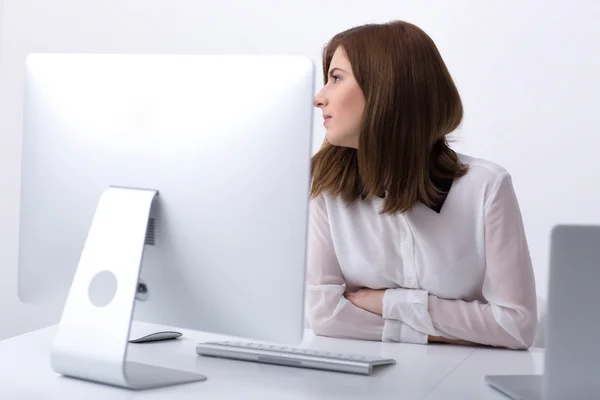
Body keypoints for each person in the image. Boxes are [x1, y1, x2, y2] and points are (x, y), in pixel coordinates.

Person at [306, 20, 538, 349]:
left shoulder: (486, 187)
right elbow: (325, 316)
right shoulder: (325, 187)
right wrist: (449, 328)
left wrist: (387, 303)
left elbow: (517, 327)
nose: (319, 98)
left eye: (336, 78)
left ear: (385, 88)